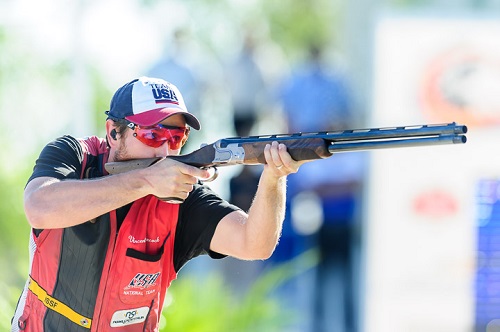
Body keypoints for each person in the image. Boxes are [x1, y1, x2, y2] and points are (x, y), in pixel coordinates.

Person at [11, 76, 305, 331]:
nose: (166, 150)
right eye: (153, 135)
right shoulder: (74, 155)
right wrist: (146, 181)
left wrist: (274, 178)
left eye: (177, 137)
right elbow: (39, 206)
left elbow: (255, 243)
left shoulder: (182, 196)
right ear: (114, 132)